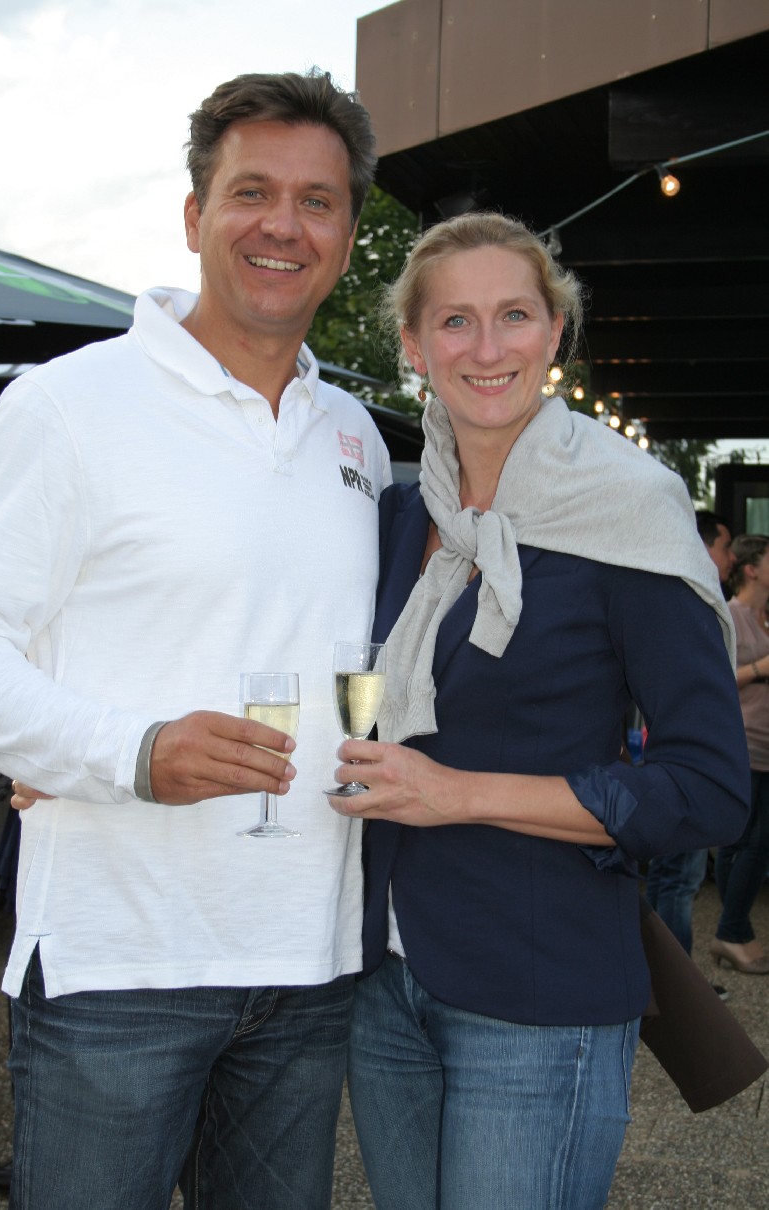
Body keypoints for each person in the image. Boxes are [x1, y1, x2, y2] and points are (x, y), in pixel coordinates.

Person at [0, 69, 390, 1210]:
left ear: (347, 238)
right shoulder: (67, 405)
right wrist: (131, 751)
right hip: (118, 963)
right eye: (252, 192)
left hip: (307, 965)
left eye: (316, 201)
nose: (282, 225)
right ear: (195, 214)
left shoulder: (351, 432)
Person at [327, 212, 750, 1210]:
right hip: (384, 978)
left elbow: (707, 788)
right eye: (454, 321)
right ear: (413, 345)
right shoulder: (400, 516)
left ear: (554, 331)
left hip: (540, 988)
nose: (486, 348)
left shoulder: (627, 509)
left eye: (513, 315)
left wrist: (460, 792)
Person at [644, 509, 736, 980]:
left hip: (667, 758)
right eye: (724, 547)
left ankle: (663, 980)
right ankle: (676, 984)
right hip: (680, 760)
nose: (730, 558)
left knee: (670, 878)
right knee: (680, 879)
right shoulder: (686, 597)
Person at [710, 534, 769, 975]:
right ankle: (732, 931)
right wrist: (761, 668)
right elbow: (716, 679)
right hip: (744, 743)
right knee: (751, 844)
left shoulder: (765, 618)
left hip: (766, 747)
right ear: (751, 569)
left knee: (747, 844)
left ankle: (735, 930)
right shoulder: (730, 614)